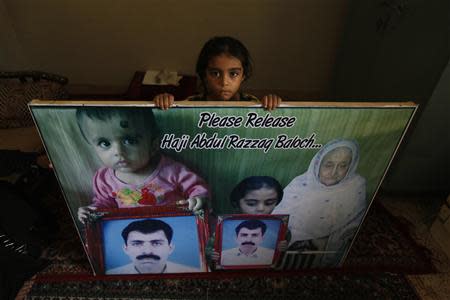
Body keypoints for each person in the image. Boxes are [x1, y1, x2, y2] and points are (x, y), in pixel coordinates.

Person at [75, 107, 209, 224]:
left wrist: (198, 199)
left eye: (129, 140)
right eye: (105, 143)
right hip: (135, 233)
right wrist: (92, 212)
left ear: (153, 145)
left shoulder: (171, 170)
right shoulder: (104, 179)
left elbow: (196, 187)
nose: (118, 152)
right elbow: (104, 205)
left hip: (175, 226)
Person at [272, 139, 367, 264]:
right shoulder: (300, 184)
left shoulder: (355, 186)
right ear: (317, 164)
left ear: (351, 166)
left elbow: (351, 228)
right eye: (328, 165)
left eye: (343, 166)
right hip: (287, 245)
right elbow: (276, 221)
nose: (334, 172)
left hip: (325, 251)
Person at [153, 36, 282, 110]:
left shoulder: (252, 103)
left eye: (233, 74)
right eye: (215, 73)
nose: (224, 82)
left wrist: (273, 104)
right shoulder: (191, 104)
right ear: (204, 74)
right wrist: (162, 103)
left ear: (243, 75)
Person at [106, 219, 201, 274]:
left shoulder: (195, 274)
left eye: (156, 243)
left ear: (170, 248)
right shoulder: (110, 275)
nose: (147, 251)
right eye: (137, 243)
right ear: (125, 249)